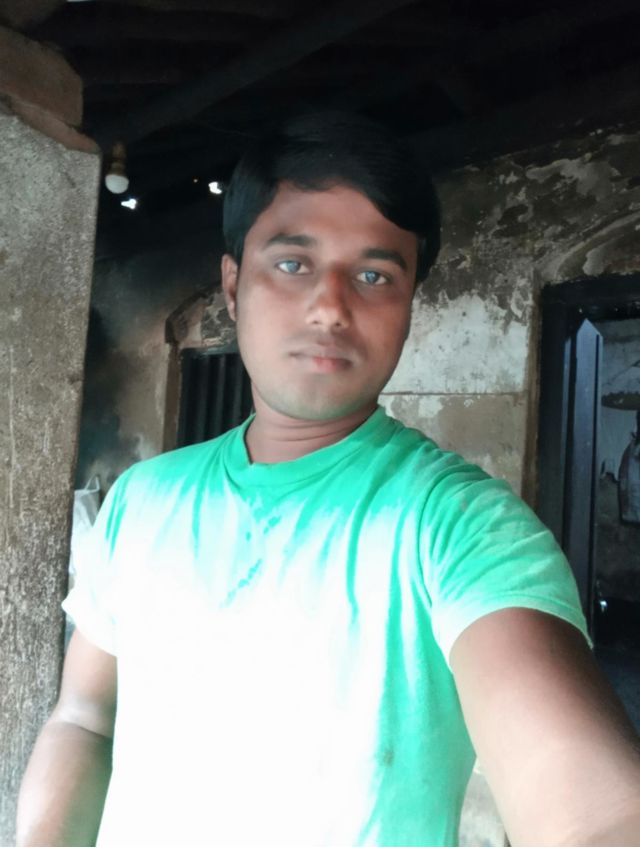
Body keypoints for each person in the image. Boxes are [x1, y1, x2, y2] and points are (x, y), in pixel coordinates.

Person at [17, 113, 640, 847]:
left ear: (408, 308)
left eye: (374, 275)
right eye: (293, 263)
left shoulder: (460, 528)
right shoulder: (142, 499)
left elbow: (598, 816)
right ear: (232, 284)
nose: (331, 307)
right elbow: (85, 719)